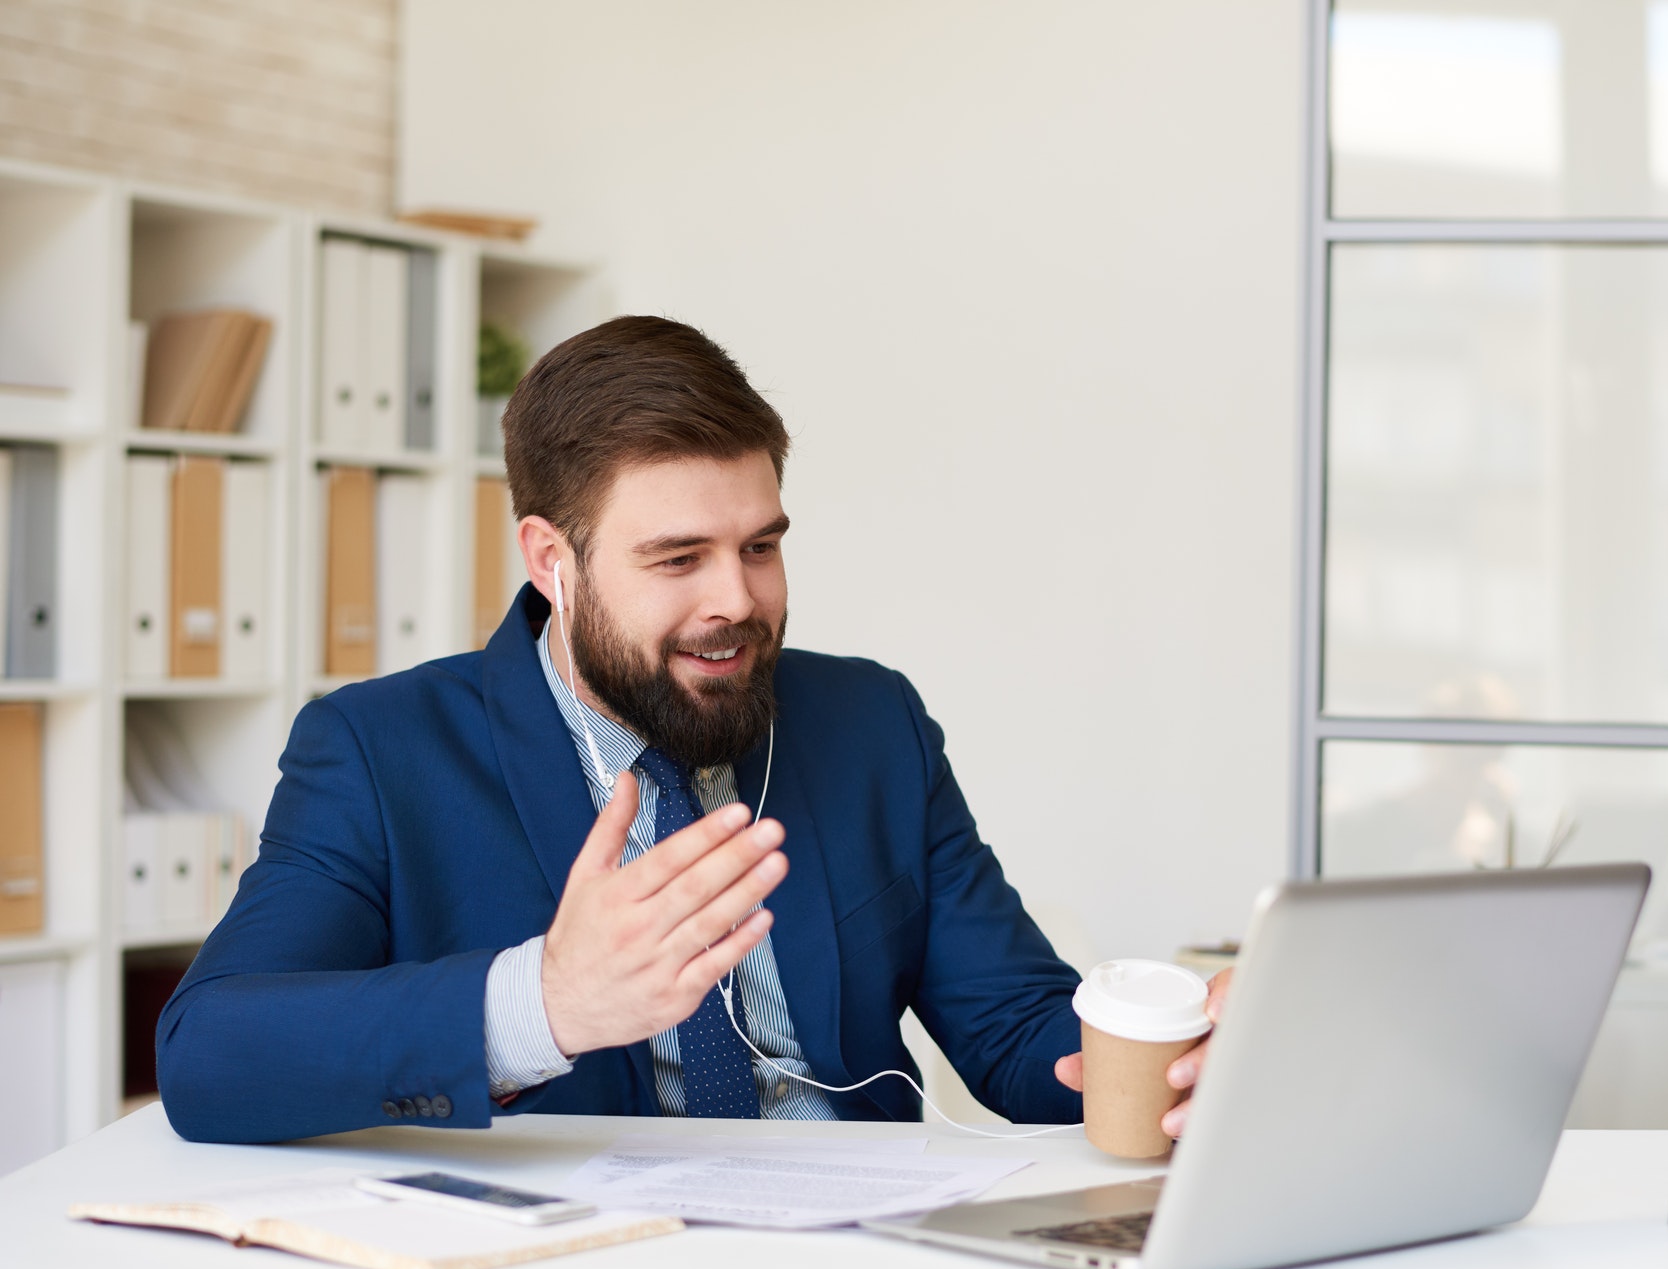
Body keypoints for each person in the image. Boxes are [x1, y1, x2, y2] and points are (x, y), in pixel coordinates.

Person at [156, 315, 1224, 1144]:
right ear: (550, 560)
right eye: (677, 560)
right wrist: (544, 1003)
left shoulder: (869, 723)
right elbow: (211, 1056)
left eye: (760, 546)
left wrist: (1181, 1053)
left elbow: (1016, 1034)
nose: (737, 600)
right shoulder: (382, 751)